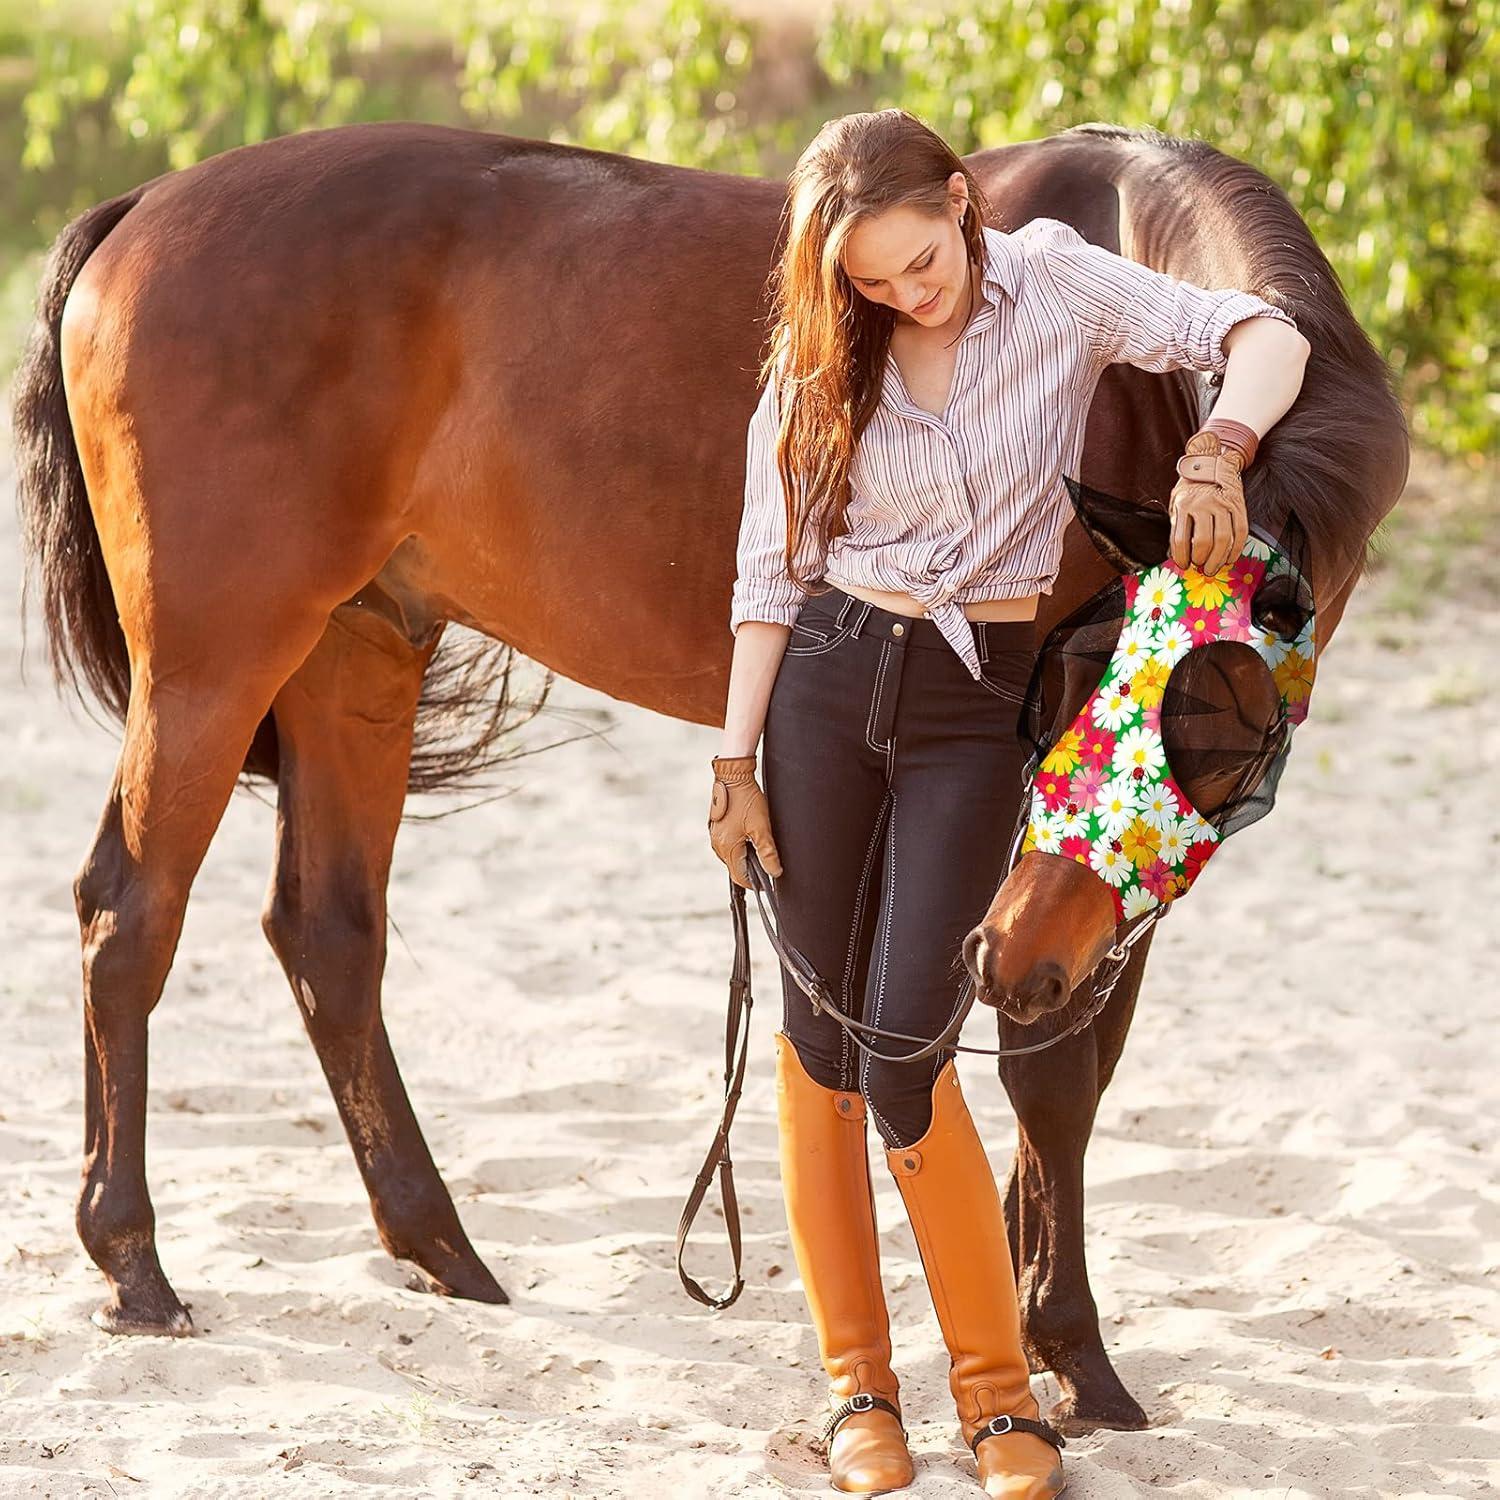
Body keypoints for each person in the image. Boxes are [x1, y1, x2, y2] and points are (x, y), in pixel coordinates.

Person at [707, 109, 1309, 1497]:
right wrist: (732, 765)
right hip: (821, 685)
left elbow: (1262, 331)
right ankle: (860, 1388)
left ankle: (998, 1397)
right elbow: (766, 575)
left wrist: (1216, 449)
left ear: (962, 203)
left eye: (919, 261)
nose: (904, 295)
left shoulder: (1056, 280)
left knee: (911, 1035)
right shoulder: (822, 353)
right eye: (870, 281)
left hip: (976, 703)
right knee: (821, 1037)